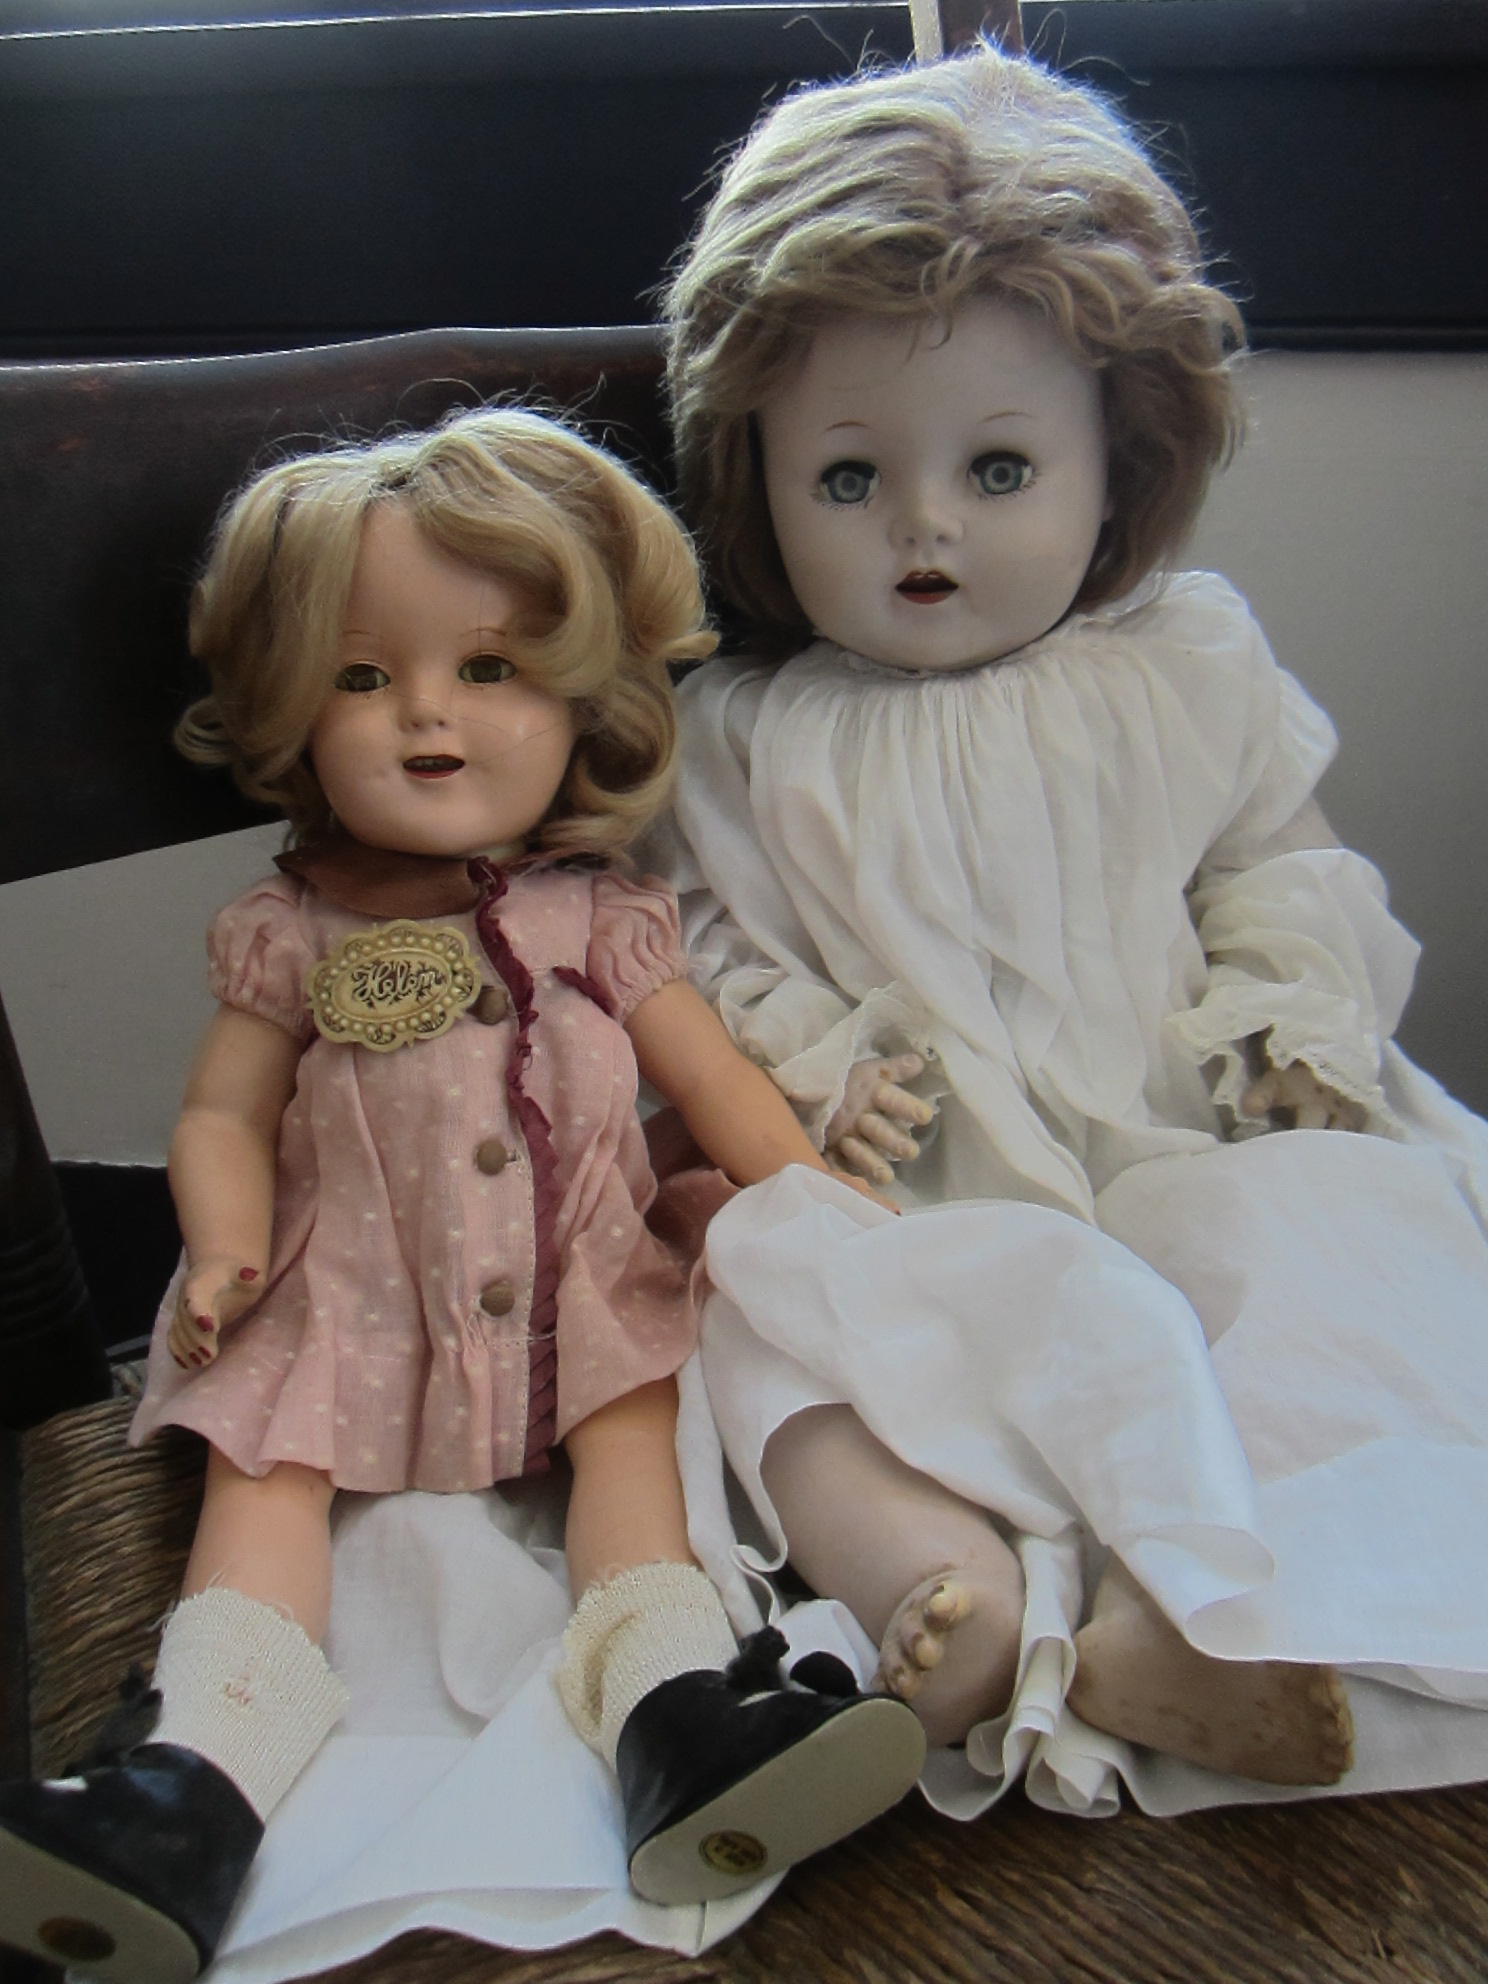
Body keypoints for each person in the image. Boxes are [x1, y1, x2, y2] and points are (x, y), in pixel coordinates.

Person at [652, 44, 1488, 1811]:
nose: (927, 523)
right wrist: (813, 1065)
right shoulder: (742, 737)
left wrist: (1290, 1011)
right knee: (769, 1332)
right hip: (926, 1181)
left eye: (1003, 467)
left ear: (1123, 461)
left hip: (1187, 1121)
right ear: (755, 473)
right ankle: (996, 1612)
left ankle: (1234, 1604)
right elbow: (707, 949)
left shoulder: (1180, 668)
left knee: (1318, 1269)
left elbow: (1273, 859)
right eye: (849, 479)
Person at [0, 407, 924, 1983]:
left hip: (583, 1285)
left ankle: (676, 1717)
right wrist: (223, 1250)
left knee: (630, 1444)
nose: (425, 711)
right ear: (292, 706)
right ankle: (189, 1782)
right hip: (340, 1298)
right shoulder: (291, 929)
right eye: (362, 676)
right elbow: (220, 1112)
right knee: (263, 1480)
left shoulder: (604, 921)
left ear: (583, 695)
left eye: (488, 666)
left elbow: (711, 1083)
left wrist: (812, 1192)